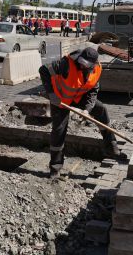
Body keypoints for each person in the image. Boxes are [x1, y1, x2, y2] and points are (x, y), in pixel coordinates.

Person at [39, 48, 126, 179]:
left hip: (79, 97)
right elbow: (44, 70)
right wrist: (52, 94)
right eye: (81, 62)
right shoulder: (65, 64)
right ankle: (55, 169)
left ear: (93, 64)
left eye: (86, 64)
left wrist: (87, 110)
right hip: (60, 99)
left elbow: (92, 92)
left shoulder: (97, 69)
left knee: (101, 110)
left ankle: (111, 147)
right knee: (59, 130)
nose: (82, 65)